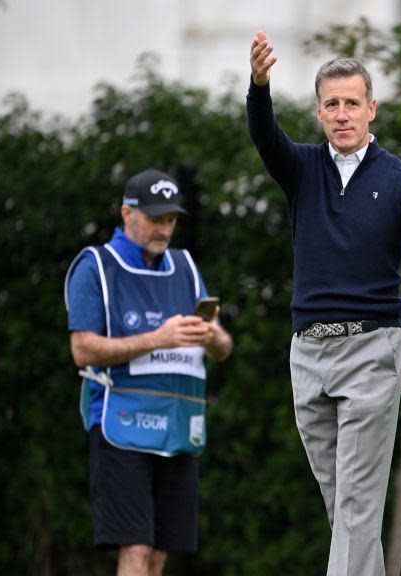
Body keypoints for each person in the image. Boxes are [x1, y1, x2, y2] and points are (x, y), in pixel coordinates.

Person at [246, 31, 401, 576]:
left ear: (371, 109)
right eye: (332, 104)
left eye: (352, 103)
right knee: (344, 502)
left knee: (358, 502)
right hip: (308, 356)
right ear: (318, 112)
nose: (343, 114)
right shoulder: (303, 170)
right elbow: (265, 136)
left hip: (370, 350)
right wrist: (260, 87)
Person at [64, 169, 233, 576]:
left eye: (170, 219)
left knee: (159, 555)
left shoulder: (184, 265)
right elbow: (82, 349)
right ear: (127, 213)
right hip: (120, 424)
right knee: (136, 549)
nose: (164, 228)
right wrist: (157, 338)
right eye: (156, 218)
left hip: (177, 426)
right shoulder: (95, 265)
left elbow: (224, 348)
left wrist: (209, 335)